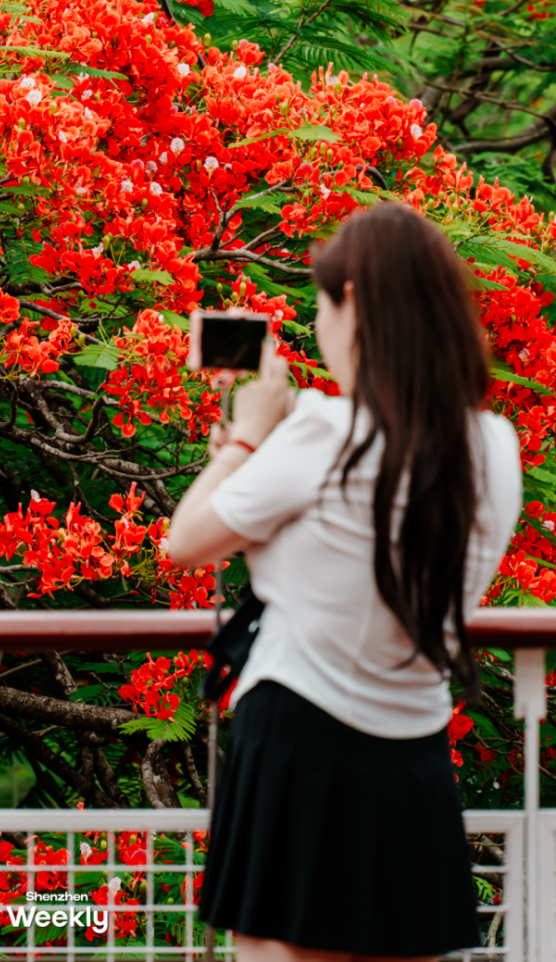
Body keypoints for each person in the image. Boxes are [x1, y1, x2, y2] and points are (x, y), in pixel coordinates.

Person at [168, 203, 522, 962]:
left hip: (298, 739)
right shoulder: (495, 444)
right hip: (416, 753)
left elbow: (184, 543)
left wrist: (246, 441)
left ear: (354, 301)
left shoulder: (325, 430)